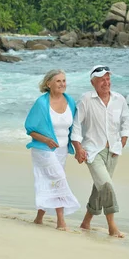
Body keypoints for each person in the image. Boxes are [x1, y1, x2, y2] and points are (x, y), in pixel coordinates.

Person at [71, 65, 129, 238]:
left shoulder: (119, 99)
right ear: (93, 82)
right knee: (106, 185)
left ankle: (86, 222)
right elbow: (76, 125)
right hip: (92, 151)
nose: (106, 82)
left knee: (99, 188)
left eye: (108, 79)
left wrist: (124, 138)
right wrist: (78, 148)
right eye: (101, 79)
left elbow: (126, 120)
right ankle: (112, 226)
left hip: (113, 151)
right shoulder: (86, 99)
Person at [24, 69, 80, 230]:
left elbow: (75, 127)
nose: (62, 84)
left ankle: (39, 218)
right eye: (58, 81)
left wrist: (78, 147)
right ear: (48, 84)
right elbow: (30, 129)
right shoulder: (42, 103)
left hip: (62, 150)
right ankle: (61, 221)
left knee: (50, 182)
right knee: (58, 179)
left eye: (64, 80)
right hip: (43, 149)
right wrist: (46, 140)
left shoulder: (70, 101)